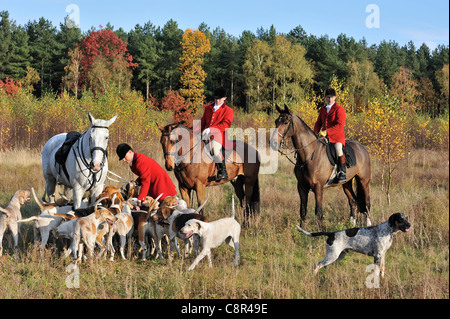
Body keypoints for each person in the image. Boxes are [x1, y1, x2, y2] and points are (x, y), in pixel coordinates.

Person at [194, 87, 233, 181]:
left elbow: (226, 124)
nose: (217, 100)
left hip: (219, 136)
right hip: (205, 135)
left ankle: (223, 171)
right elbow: (202, 122)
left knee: (215, 150)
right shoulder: (208, 108)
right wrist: (194, 132)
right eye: (216, 98)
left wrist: (211, 130)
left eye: (219, 99)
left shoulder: (228, 110)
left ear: (225, 98)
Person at [313, 88, 347, 183]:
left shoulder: (339, 109)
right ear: (325, 98)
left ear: (335, 97)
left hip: (337, 137)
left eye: (331, 97)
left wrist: (327, 132)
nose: (330, 99)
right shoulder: (323, 109)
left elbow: (340, 125)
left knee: (338, 150)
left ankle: (342, 172)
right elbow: (318, 123)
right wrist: (315, 133)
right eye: (328, 97)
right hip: (324, 137)